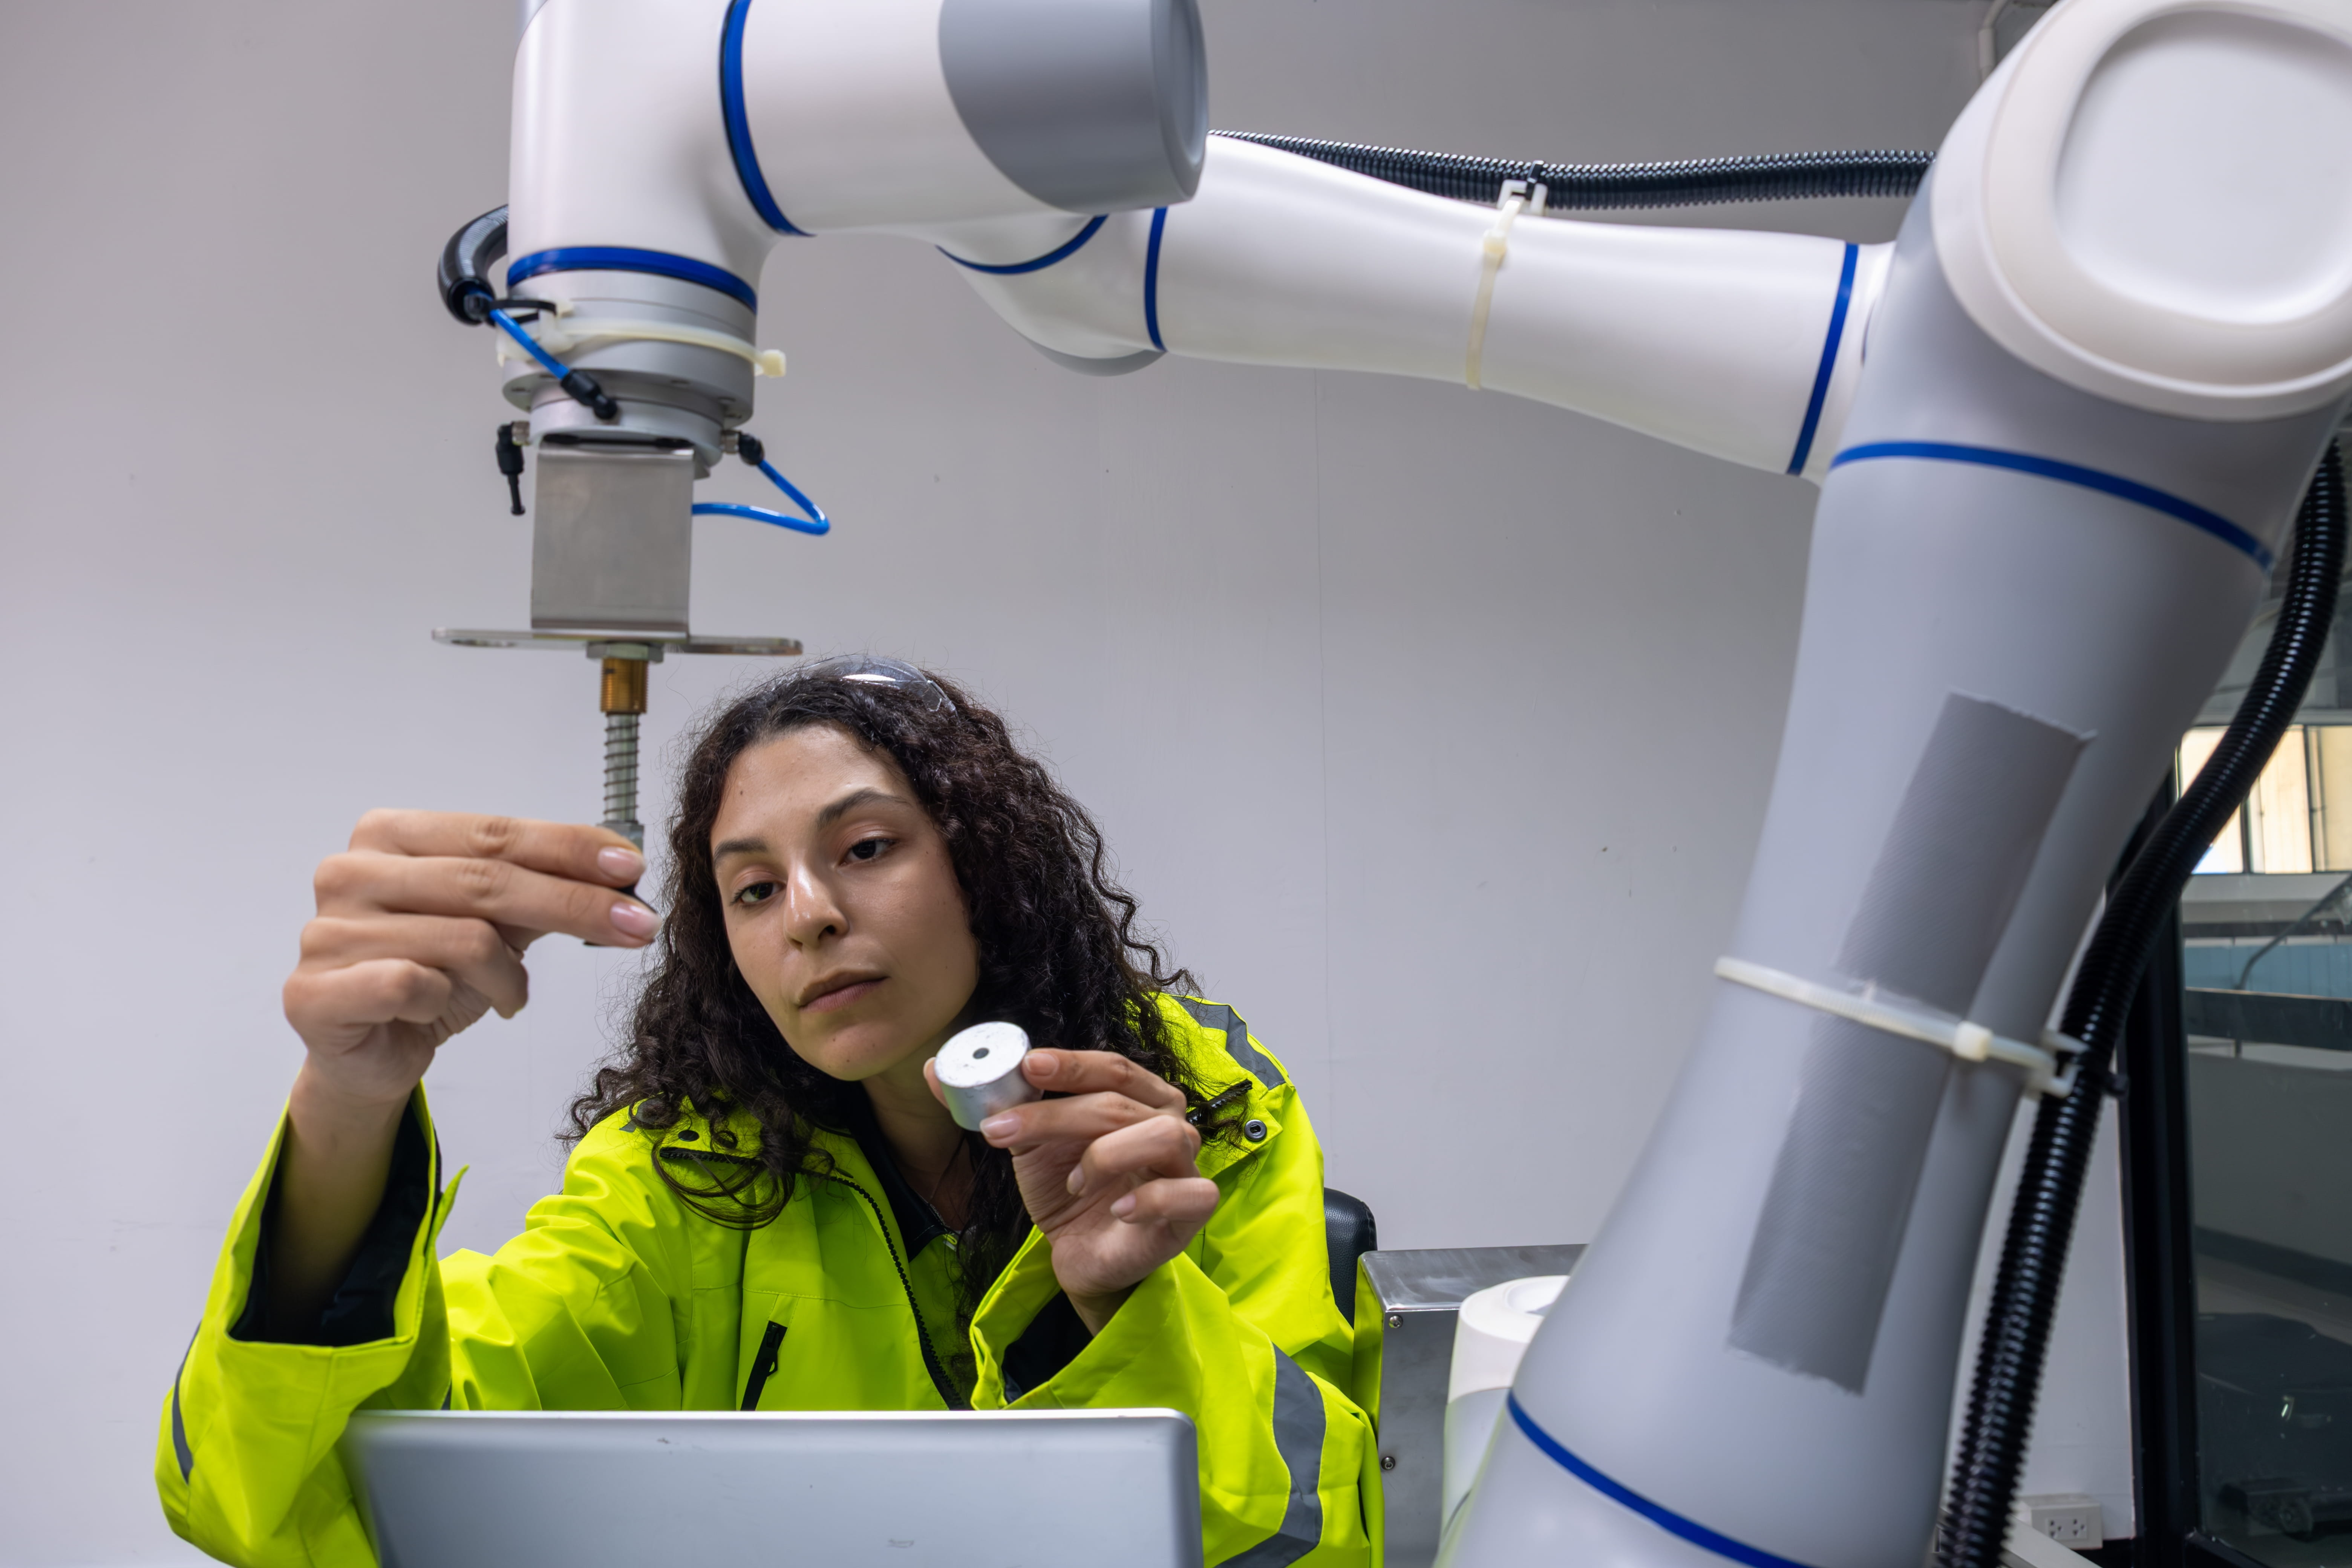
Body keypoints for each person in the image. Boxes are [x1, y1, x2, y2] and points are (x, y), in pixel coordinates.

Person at [155, 656, 1375, 1566]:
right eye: (751, 886)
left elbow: (1323, 1535)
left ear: (986, 866)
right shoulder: (683, 1175)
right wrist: (350, 1106)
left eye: (864, 847)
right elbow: (289, 1507)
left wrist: (1122, 1308)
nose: (806, 914)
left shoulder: (1196, 1119)